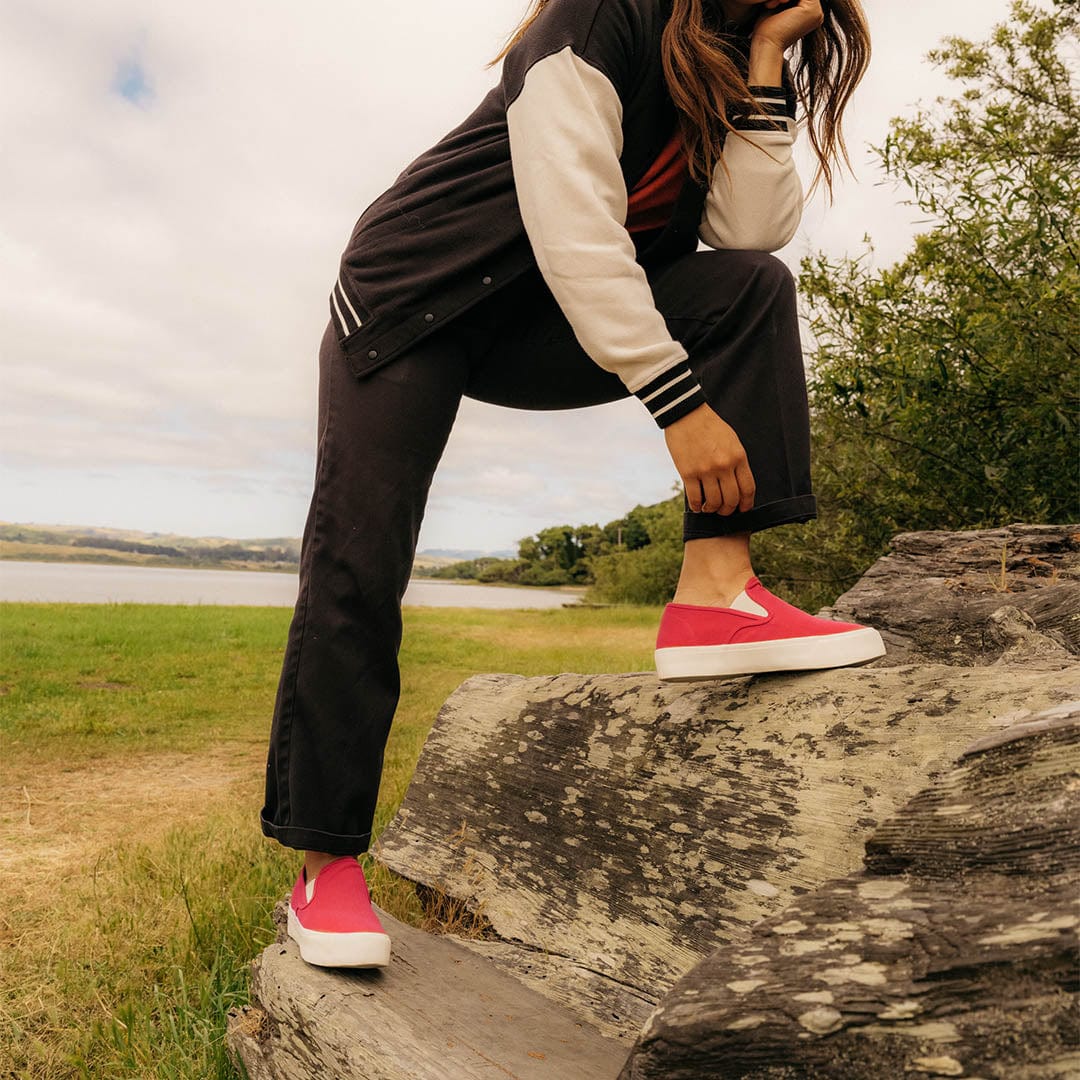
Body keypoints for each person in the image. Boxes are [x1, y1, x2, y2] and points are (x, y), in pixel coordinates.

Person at [263, 0, 876, 969]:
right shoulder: (606, 16)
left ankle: (716, 593)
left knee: (753, 292)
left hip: (537, 315)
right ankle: (323, 865)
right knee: (359, 563)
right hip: (414, 295)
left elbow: (752, 230)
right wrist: (680, 406)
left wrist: (765, 59)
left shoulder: (732, 57)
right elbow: (571, 224)